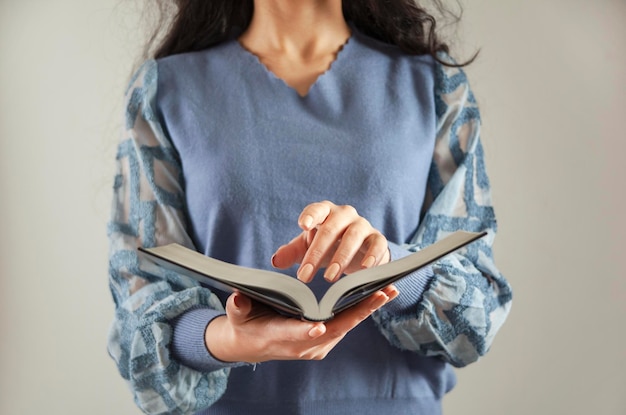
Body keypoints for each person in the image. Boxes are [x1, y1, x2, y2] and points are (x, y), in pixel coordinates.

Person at [106, 1, 513, 414]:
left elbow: (478, 318)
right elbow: (138, 309)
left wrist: (387, 266)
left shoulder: (436, 85)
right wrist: (226, 339)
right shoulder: (164, 90)